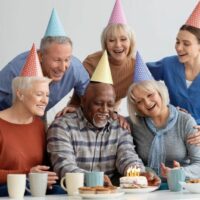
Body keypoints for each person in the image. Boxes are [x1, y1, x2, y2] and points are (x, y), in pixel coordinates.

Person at [47, 52, 160, 186]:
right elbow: (64, 166)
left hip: (109, 193)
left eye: (110, 105)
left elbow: (128, 157)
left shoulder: (118, 127)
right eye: (98, 103)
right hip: (71, 194)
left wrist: (139, 174)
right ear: (83, 101)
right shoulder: (62, 126)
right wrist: (94, 180)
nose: (105, 110)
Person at [0, 44, 65, 196]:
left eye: (47, 95)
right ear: (20, 93)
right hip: (7, 190)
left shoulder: (38, 126)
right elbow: (30, 174)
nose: (45, 100)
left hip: (32, 188)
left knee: (62, 192)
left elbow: (44, 168)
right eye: (39, 94)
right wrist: (27, 174)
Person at [0, 9, 89, 112]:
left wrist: (76, 106)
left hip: (39, 116)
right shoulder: (16, 68)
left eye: (67, 59)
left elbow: (91, 96)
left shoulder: (75, 69)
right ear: (41, 56)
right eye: (56, 60)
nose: (62, 67)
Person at [127, 80, 200, 185]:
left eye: (150, 95)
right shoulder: (133, 123)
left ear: (160, 92)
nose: (147, 103)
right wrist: (116, 115)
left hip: (179, 188)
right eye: (139, 101)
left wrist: (179, 172)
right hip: (146, 189)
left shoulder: (185, 121)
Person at [146, 2, 200, 126]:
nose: (179, 48)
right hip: (172, 127)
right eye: (177, 42)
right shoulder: (168, 65)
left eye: (186, 44)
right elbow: (139, 72)